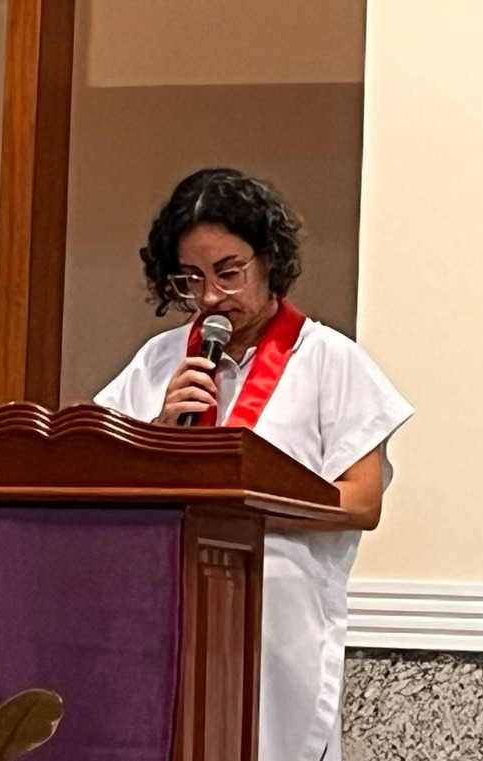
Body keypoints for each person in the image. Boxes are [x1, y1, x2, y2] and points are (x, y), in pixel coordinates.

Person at [94, 168, 413, 761]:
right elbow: (98, 473)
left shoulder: (328, 360)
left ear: (268, 259)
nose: (212, 297)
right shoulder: (159, 361)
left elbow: (362, 501)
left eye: (229, 272)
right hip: (165, 614)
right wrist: (159, 431)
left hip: (279, 630)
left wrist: (243, 504)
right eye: (191, 278)